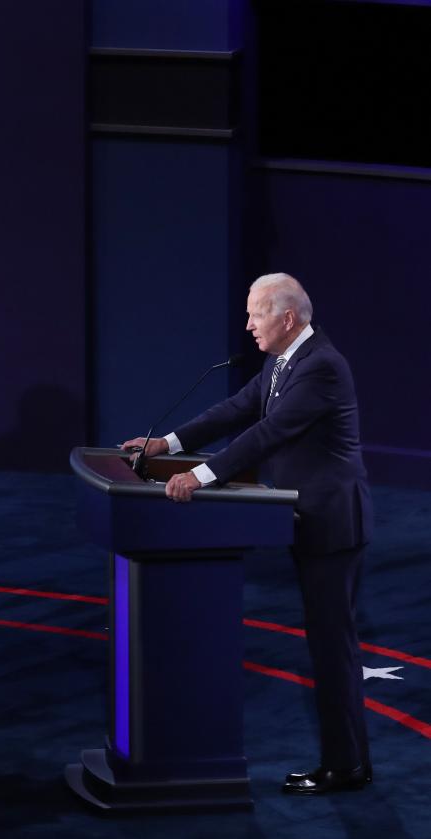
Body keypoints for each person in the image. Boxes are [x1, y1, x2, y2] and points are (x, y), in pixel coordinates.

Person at [124, 272, 372, 795]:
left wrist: (200, 475)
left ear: (286, 318)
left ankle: (346, 765)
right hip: (304, 517)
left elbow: (268, 433)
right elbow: (238, 409)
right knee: (327, 645)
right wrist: (166, 445)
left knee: (333, 648)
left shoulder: (321, 367)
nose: (248, 325)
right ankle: (346, 759)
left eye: (256, 313)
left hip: (331, 523)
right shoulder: (284, 360)